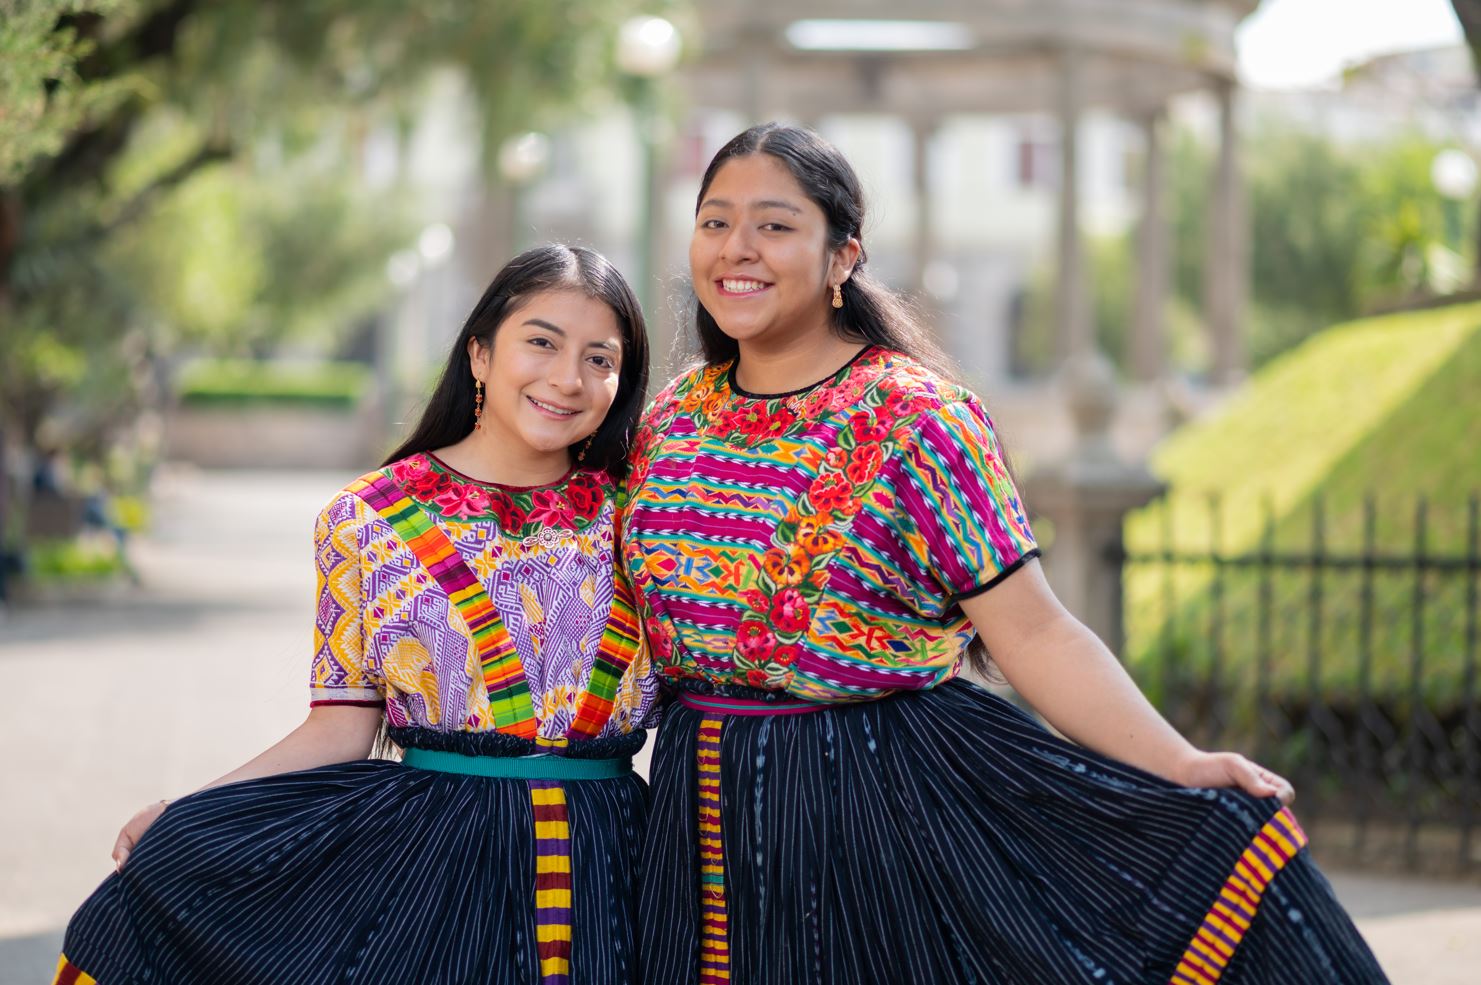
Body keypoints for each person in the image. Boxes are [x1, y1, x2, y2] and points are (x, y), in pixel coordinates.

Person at [623, 124, 1387, 984]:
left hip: (876, 817)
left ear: (842, 257)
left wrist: (1178, 762)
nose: (737, 249)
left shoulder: (920, 421)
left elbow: (1034, 634)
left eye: (774, 224)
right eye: (714, 222)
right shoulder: (672, 419)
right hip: (695, 822)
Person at [55, 244, 659, 985]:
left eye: (600, 358)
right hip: (435, 872)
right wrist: (186, 811)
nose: (569, 378)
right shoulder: (367, 518)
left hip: (624, 867)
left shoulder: (644, 514)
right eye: (541, 341)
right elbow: (339, 726)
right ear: (478, 352)